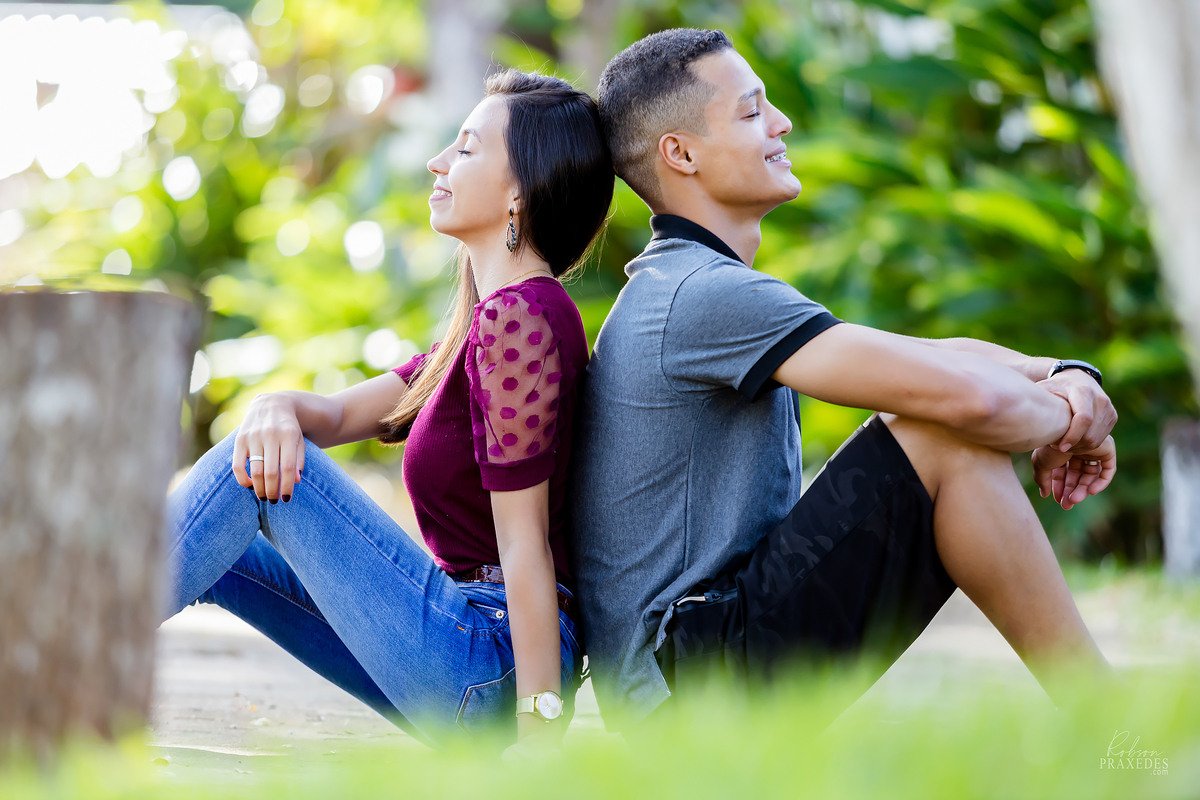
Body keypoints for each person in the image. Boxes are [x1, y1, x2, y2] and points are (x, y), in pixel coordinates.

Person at [568, 28, 1119, 732]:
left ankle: (1112, 727)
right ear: (681, 154)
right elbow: (972, 398)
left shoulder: (688, 281)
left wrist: (1065, 375)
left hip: (698, 661)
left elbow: (925, 357)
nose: (781, 124)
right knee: (941, 436)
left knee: (937, 425)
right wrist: (1073, 422)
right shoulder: (697, 294)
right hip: (688, 686)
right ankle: (1116, 731)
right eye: (751, 111)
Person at [163, 69, 613, 749]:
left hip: (490, 659)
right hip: (464, 647)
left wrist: (538, 734)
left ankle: (55, 636)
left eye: (466, 148)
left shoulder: (521, 320)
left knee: (247, 472)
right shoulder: (485, 328)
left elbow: (524, 545)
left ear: (520, 190)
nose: (438, 161)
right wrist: (273, 406)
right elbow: (335, 416)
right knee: (233, 532)